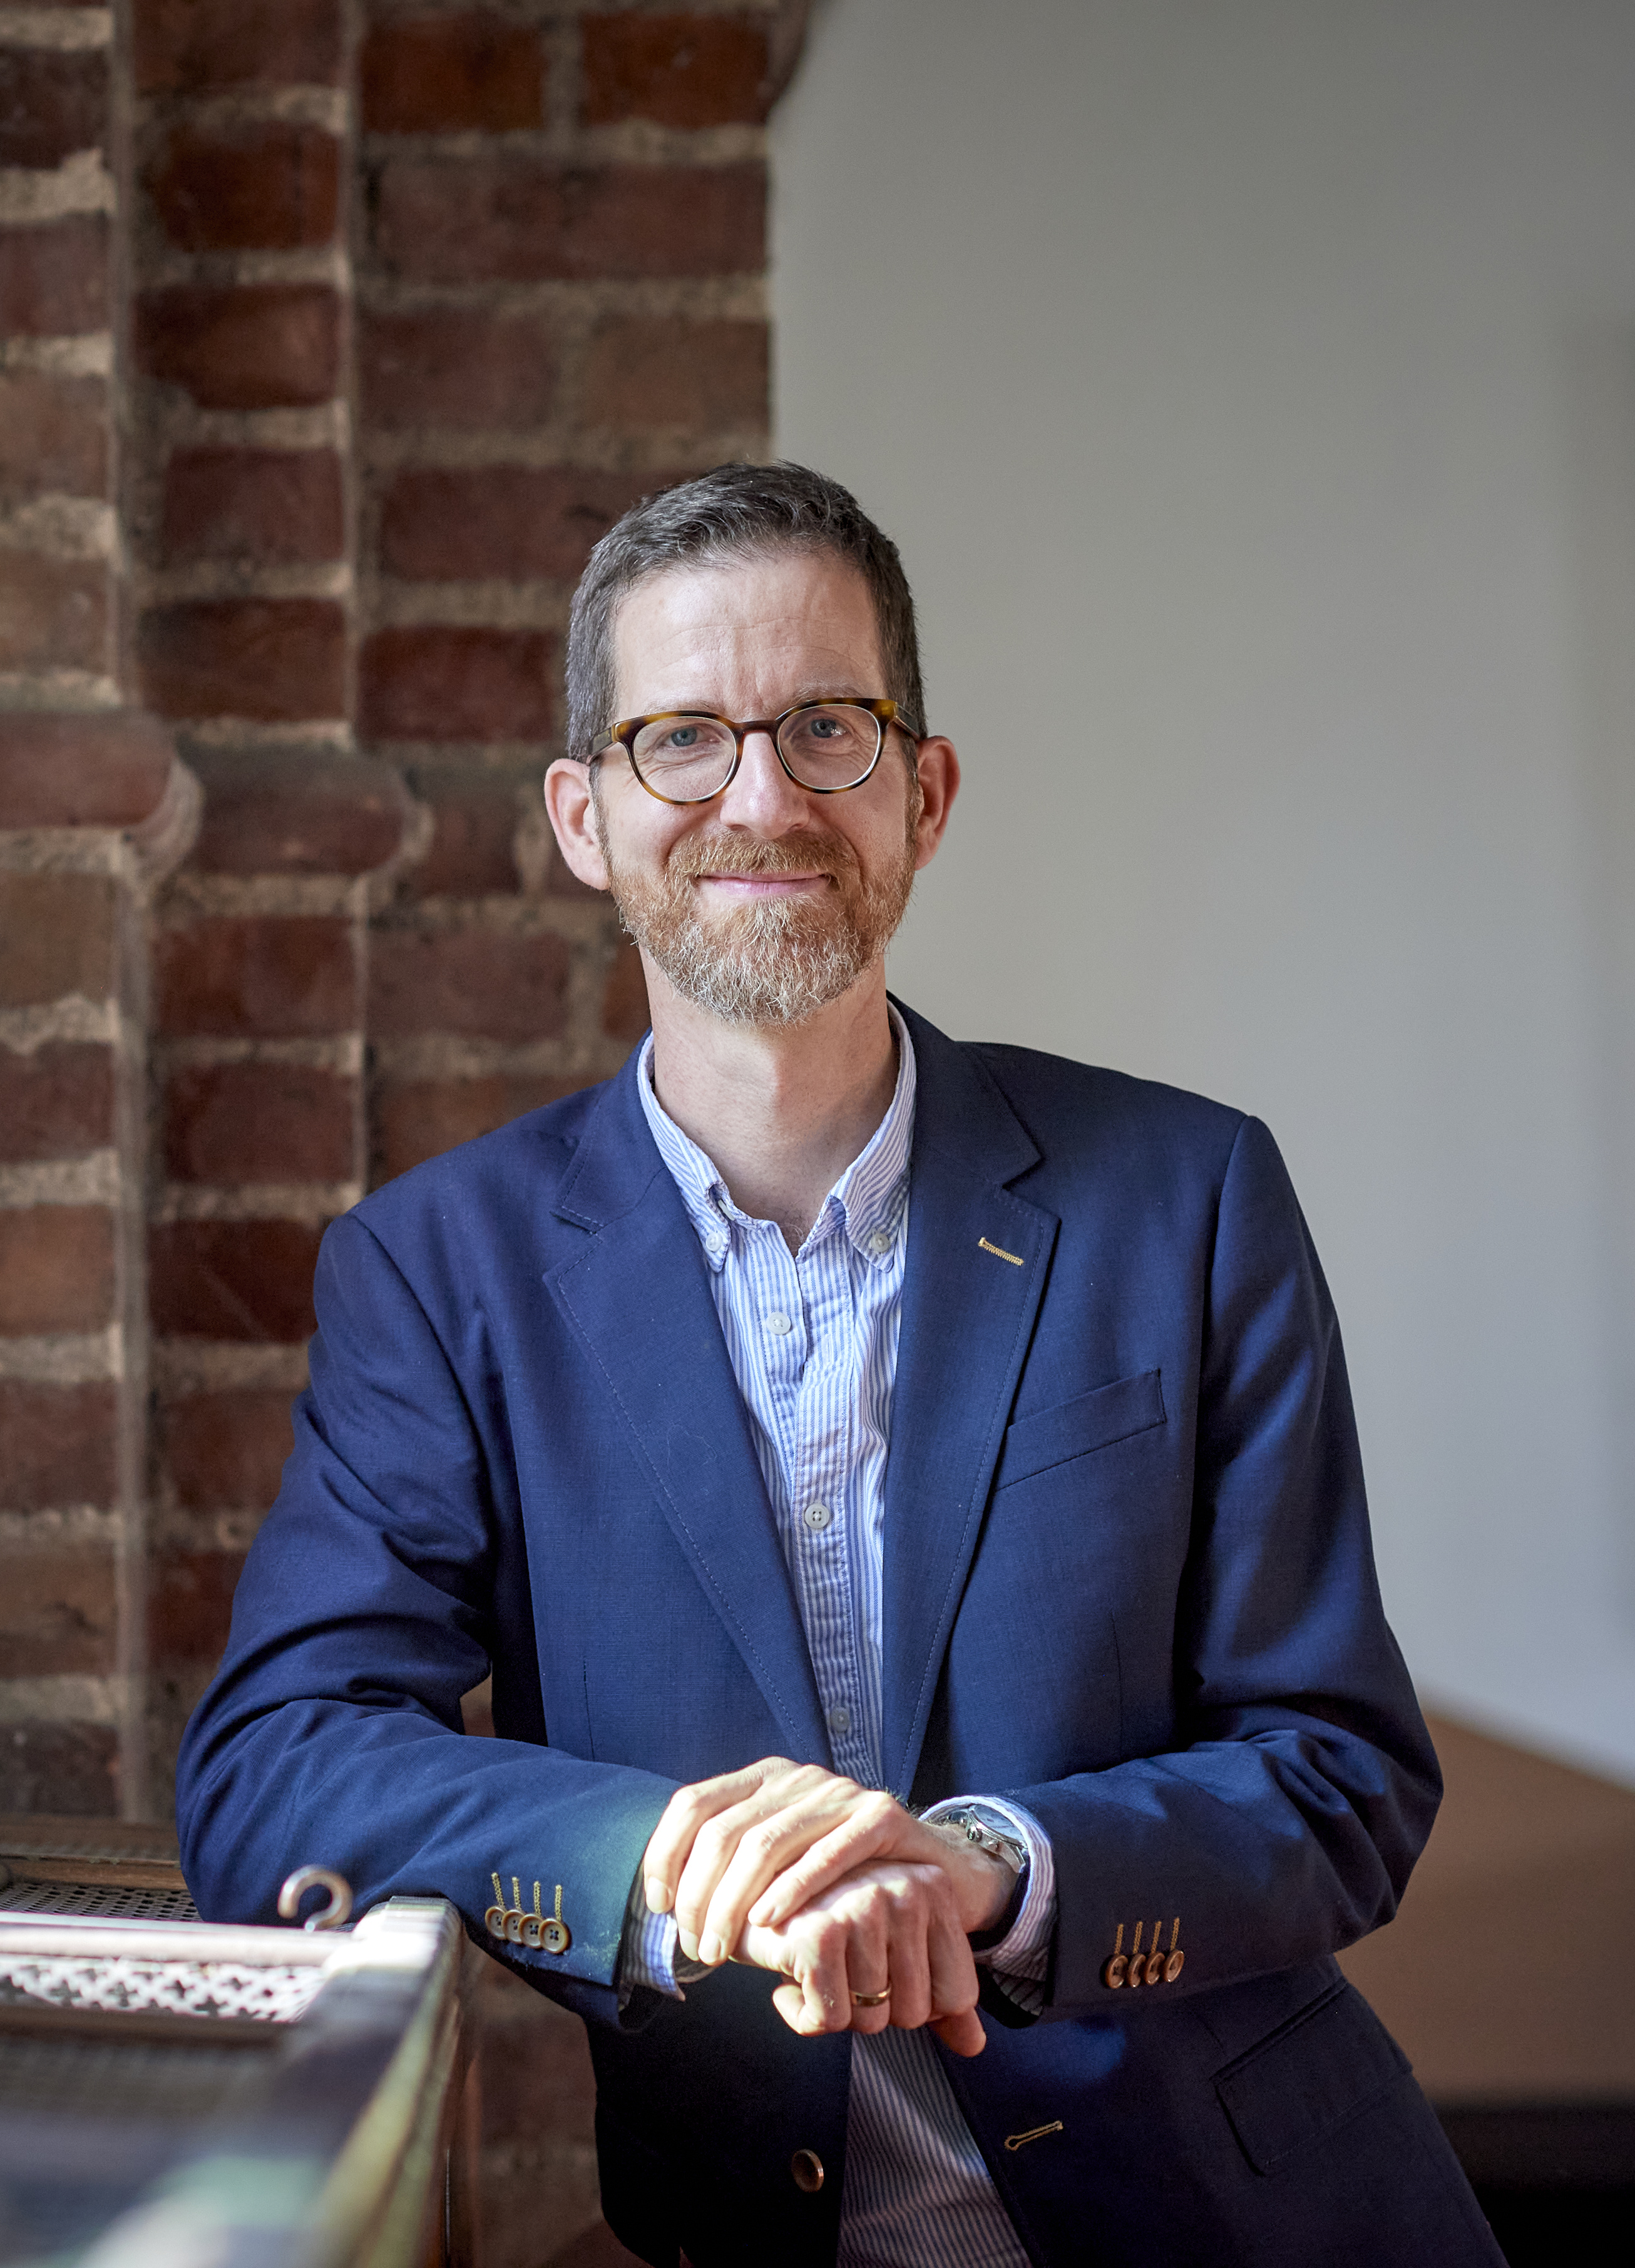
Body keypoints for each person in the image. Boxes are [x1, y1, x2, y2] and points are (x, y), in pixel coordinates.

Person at [175, 463, 1495, 2265]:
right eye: (684, 740)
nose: (765, 797)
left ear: (924, 791)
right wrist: (659, 1860)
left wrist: (1000, 1871)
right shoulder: (440, 1273)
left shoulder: (1186, 1199)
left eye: (828, 728)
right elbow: (271, 1772)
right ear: (585, 817)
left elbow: (1345, 1777)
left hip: (1252, 2223)